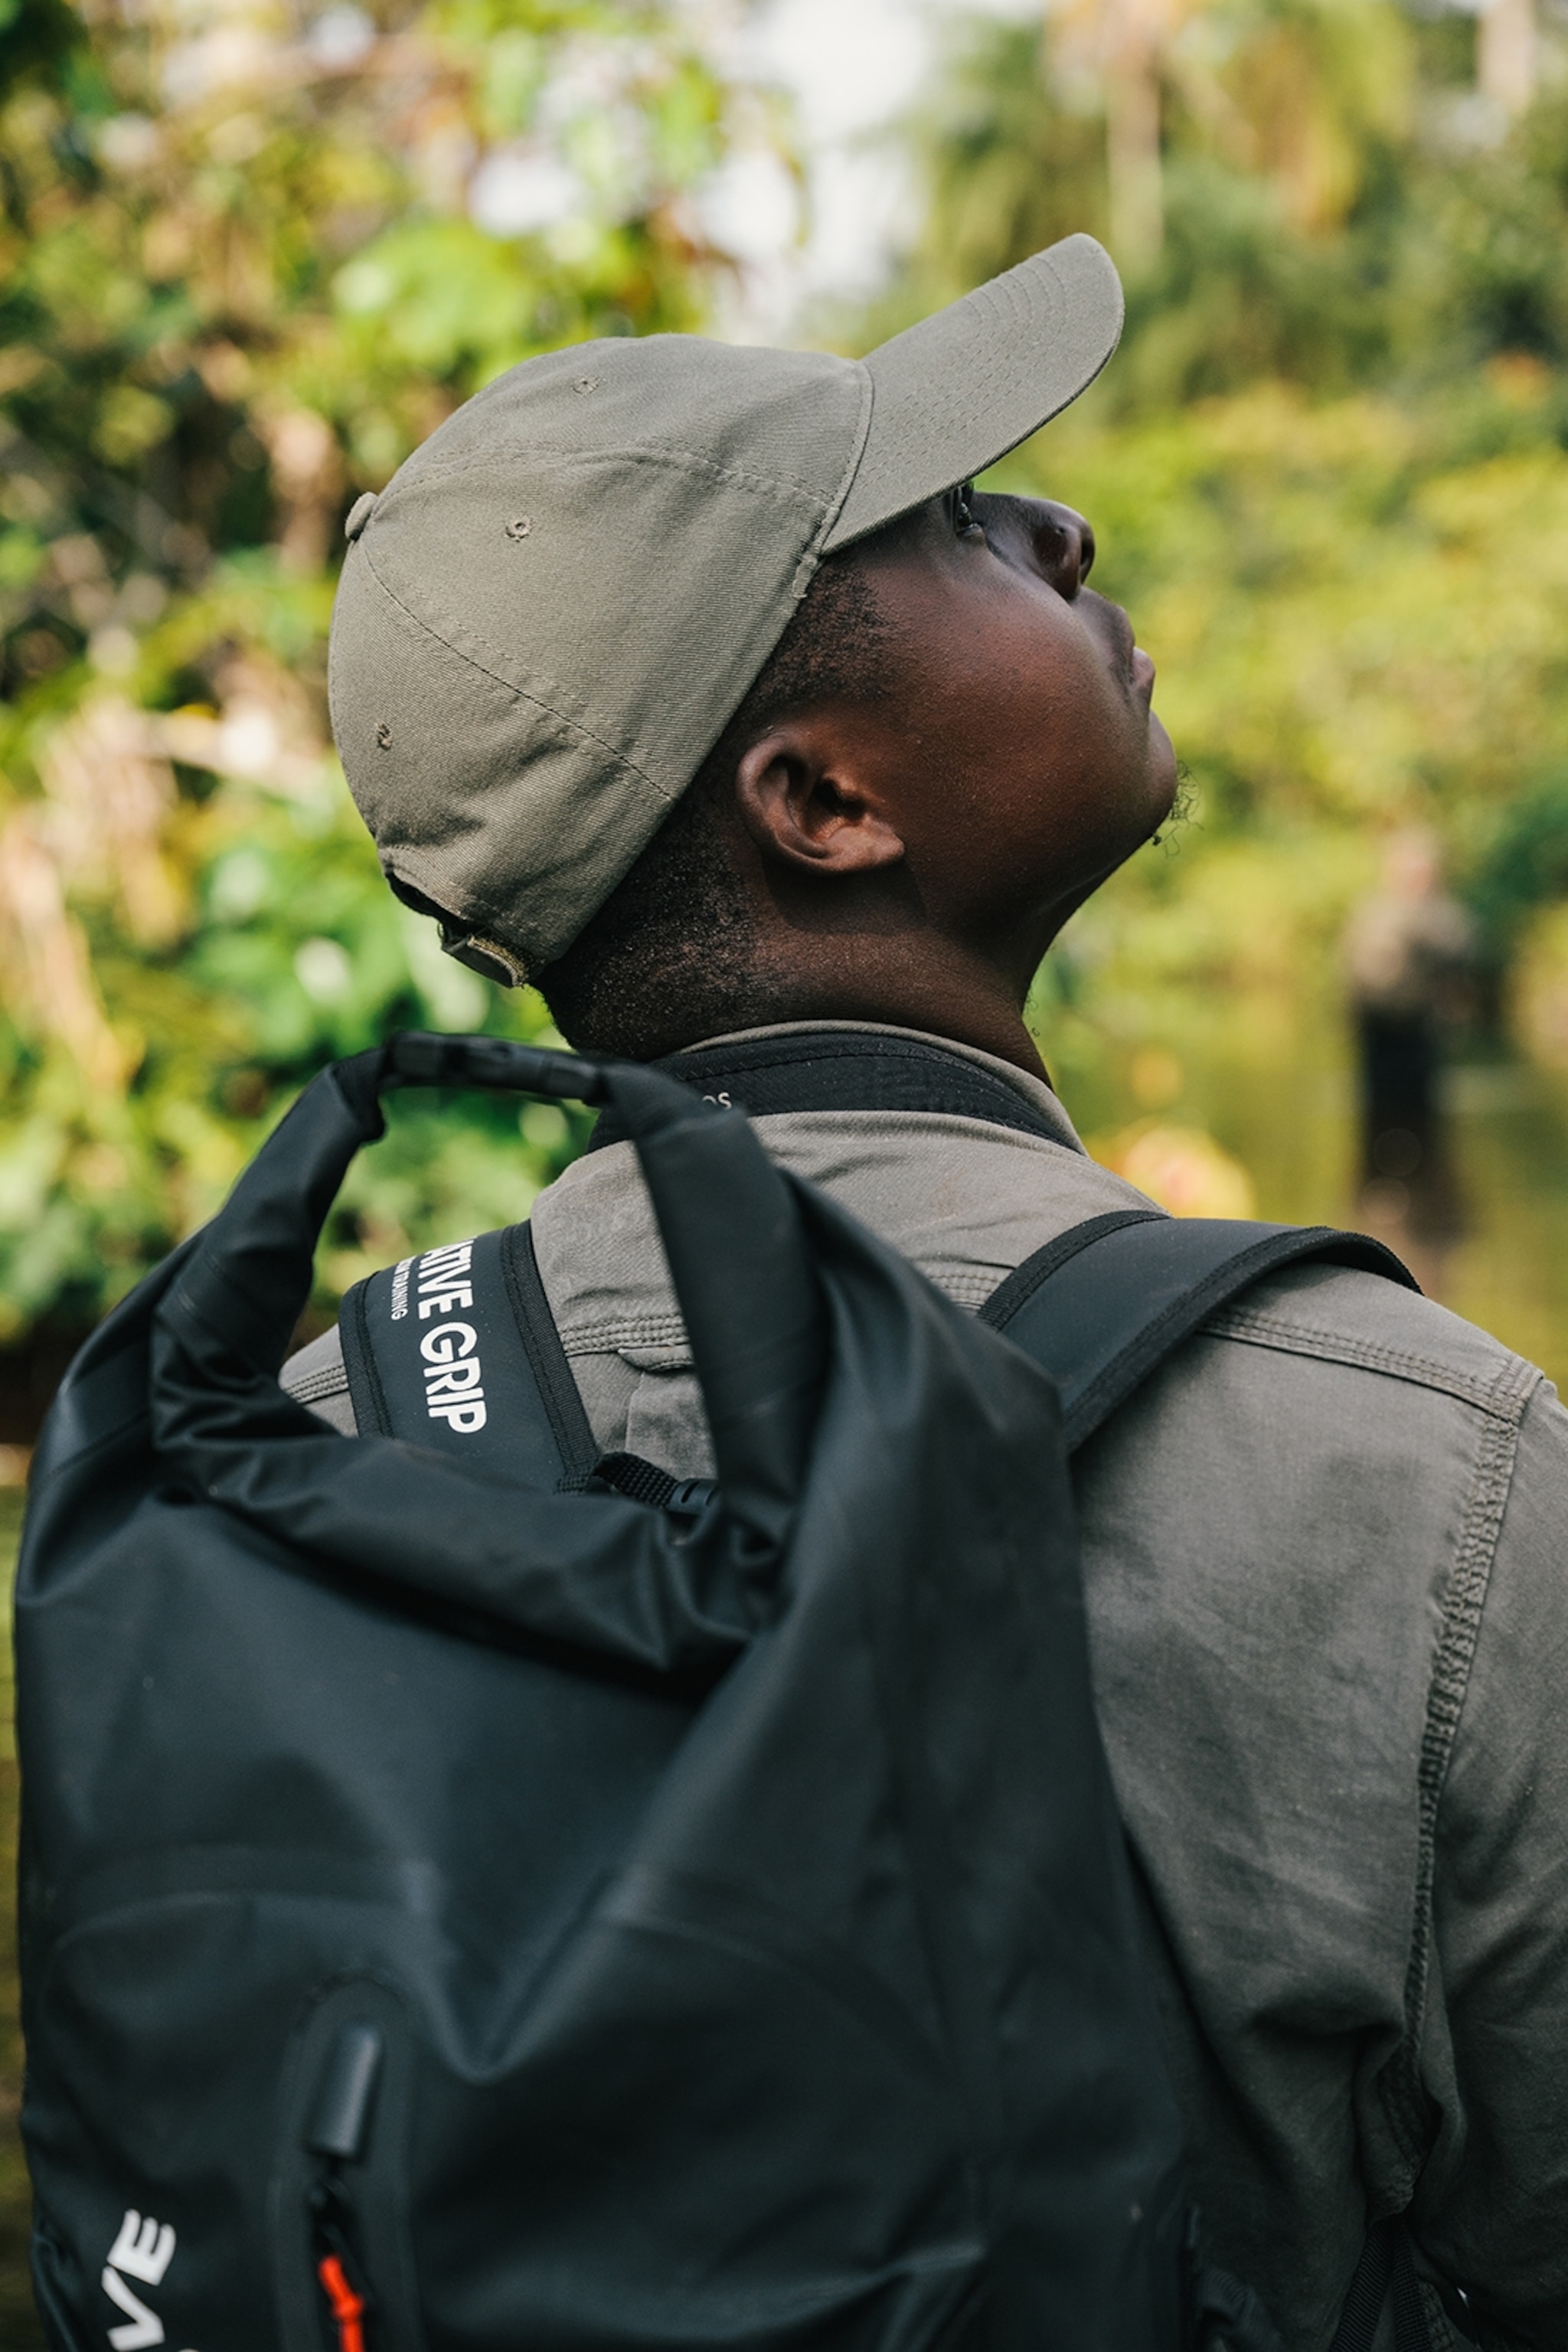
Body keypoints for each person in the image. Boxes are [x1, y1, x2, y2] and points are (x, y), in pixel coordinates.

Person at [285, 237, 1568, 2352]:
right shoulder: (1428, 1466)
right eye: (963, 522)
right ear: (824, 803)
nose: (1064, 527)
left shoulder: (316, 1428)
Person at [1346, 829, 1476, 1296]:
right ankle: (1384, 1190)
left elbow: (1462, 956)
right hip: (1379, 1039)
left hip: (1420, 1041)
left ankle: (1420, 1190)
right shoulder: (1371, 912)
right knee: (1376, 1129)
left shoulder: (1443, 917)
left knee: (1424, 1131)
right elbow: (1354, 976)